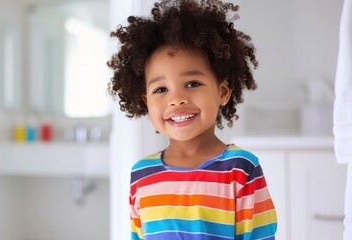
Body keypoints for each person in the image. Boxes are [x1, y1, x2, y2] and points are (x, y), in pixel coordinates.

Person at [107, 0, 277, 239]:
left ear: (222, 92)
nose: (176, 99)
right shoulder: (141, 174)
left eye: (192, 84)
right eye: (160, 89)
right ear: (146, 101)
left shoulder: (241, 168)